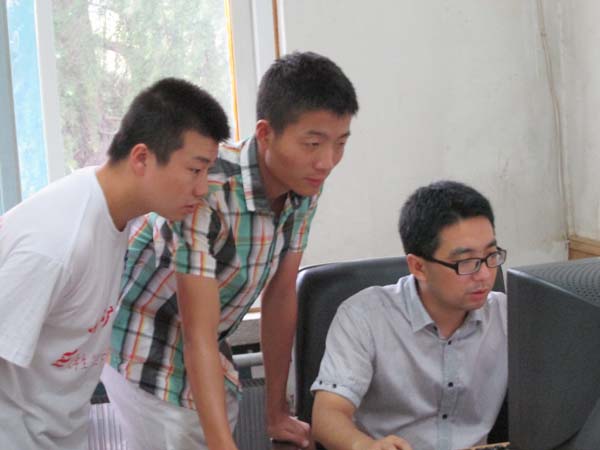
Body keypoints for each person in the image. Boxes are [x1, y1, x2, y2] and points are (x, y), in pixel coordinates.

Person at [101, 51, 359, 450]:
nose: (326, 162)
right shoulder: (206, 184)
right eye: (312, 143)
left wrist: (276, 412)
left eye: (339, 144)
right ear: (266, 133)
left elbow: (281, 294)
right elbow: (196, 332)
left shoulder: (304, 183)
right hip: (144, 343)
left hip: (208, 349)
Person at [0, 78, 230, 450]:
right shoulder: (56, 243)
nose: (202, 188)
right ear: (141, 158)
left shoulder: (110, 214)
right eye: (195, 170)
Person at [311, 180, 508, 450]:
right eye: (466, 262)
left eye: (491, 255)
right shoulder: (364, 317)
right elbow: (327, 416)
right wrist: (365, 446)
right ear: (418, 267)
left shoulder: (508, 316)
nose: (484, 274)